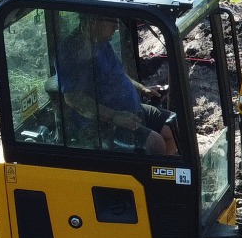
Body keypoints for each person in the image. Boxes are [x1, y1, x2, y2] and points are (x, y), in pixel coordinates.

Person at [55, 13, 178, 156]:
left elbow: (117, 74)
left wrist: (143, 89)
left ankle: (167, 176)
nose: (116, 27)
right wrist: (114, 116)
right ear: (93, 21)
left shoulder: (100, 42)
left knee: (173, 126)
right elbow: (73, 98)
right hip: (100, 123)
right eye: (112, 21)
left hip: (129, 110)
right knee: (155, 143)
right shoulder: (70, 52)